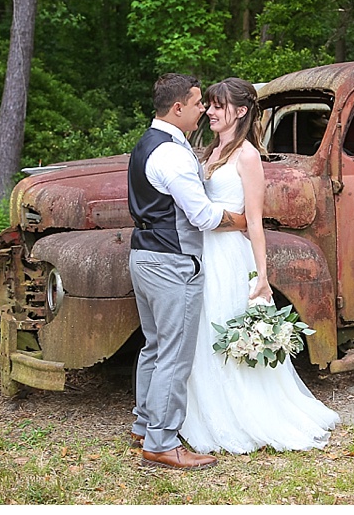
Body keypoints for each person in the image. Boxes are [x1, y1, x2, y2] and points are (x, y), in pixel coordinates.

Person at [179, 77, 340, 454]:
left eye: (218, 106)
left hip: (229, 256)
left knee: (223, 329)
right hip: (204, 251)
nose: (211, 112)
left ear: (239, 111)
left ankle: (238, 413)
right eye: (211, 105)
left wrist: (263, 277)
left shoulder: (247, 156)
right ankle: (200, 408)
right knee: (202, 334)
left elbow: (254, 220)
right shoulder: (211, 151)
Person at [128, 73, 247, 471]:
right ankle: (162, 443)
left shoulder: (147, 143)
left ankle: (145, 426)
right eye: (198, 103)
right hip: (171, 262)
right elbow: (202, 215)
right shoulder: (174, 155)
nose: (203, 110)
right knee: (174, 356)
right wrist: (242, 219)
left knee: (155, 346)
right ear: (178, 108)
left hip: (144, 257)